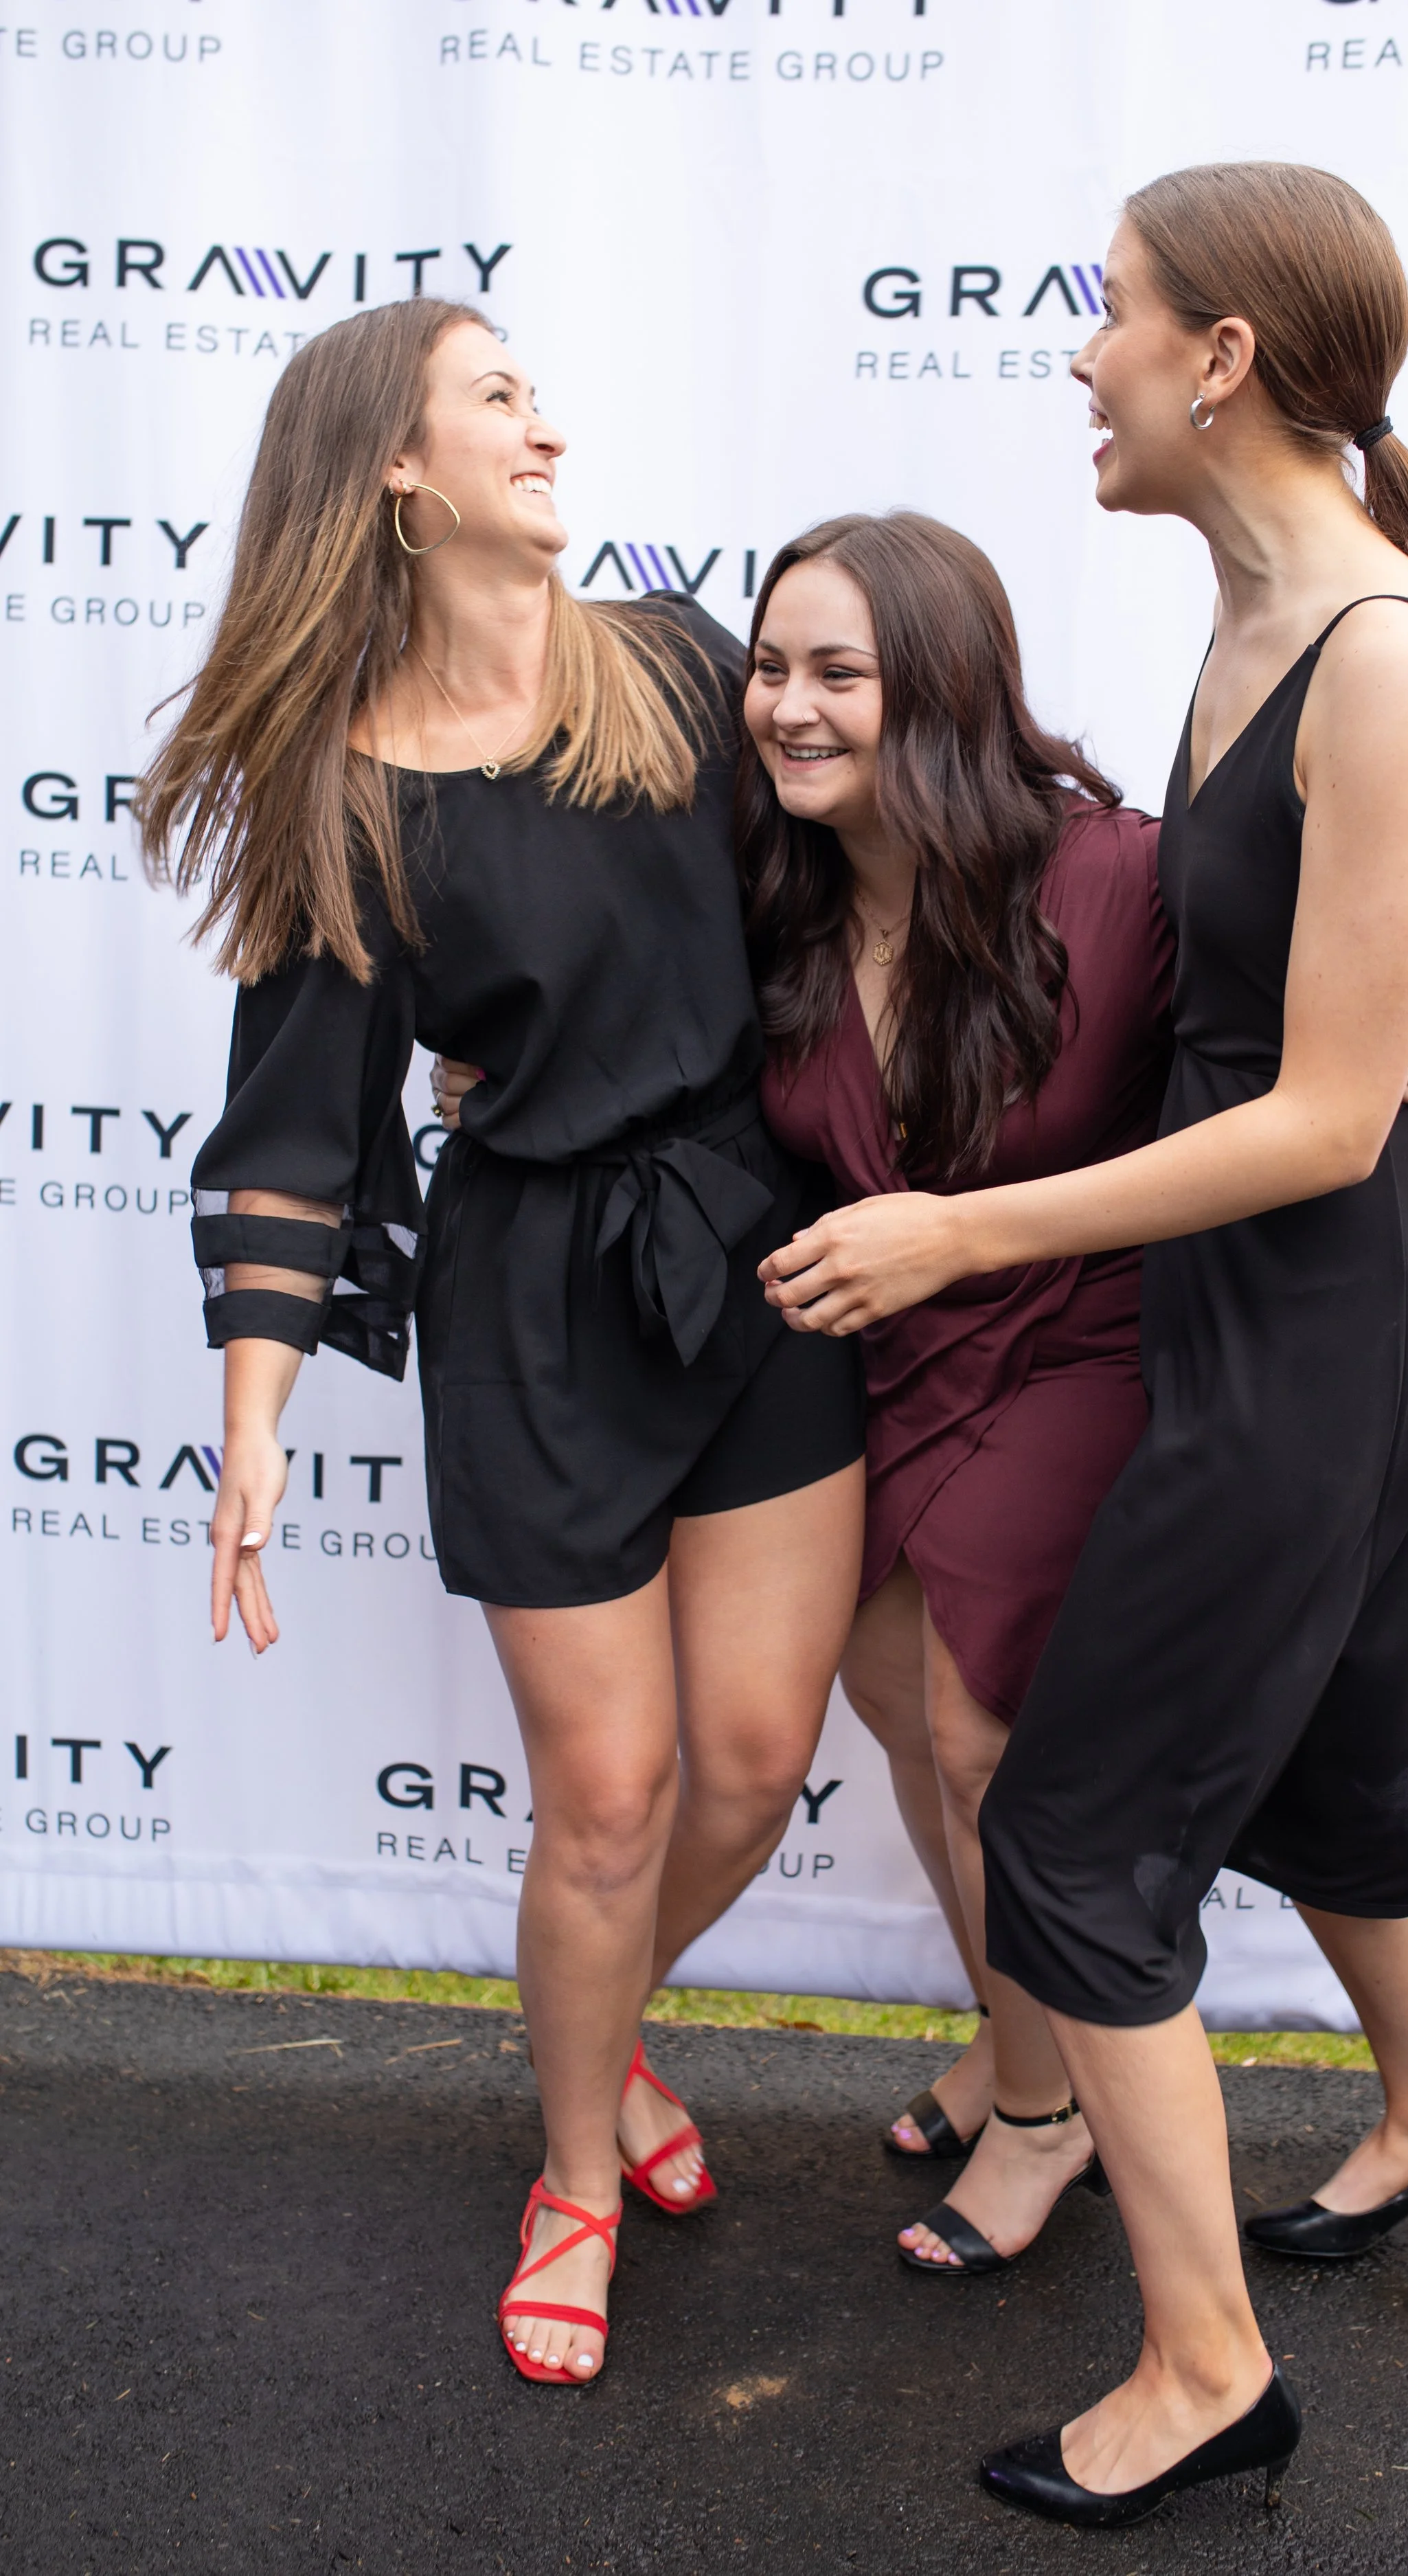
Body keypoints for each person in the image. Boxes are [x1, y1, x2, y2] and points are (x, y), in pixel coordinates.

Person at [758, 163, 1408, 2527]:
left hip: (1327, 1320)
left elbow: (1307, 1118)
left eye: (1108, 320)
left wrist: (951, 1234)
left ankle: (1204, 2361)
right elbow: (1331, 981)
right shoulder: (1250, 616)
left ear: (1220, 362)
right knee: (1336, 1742)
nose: (1074, 358)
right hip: (1287, 1307)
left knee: (1079, 1835)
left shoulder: (1380, 651)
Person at [136, 299, 865, 2388]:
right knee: (610, 1797)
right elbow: (294, 1128)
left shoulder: (669, 656)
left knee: (742, 1762)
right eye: (497, 398)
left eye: (539, 393)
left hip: (752, 1248)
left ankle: (599, 2028)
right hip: (531, 1299)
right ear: (393, 465)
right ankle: (570, 2163)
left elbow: (904, 863)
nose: (546, 423)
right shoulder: (338, 788)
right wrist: (253, 1414)